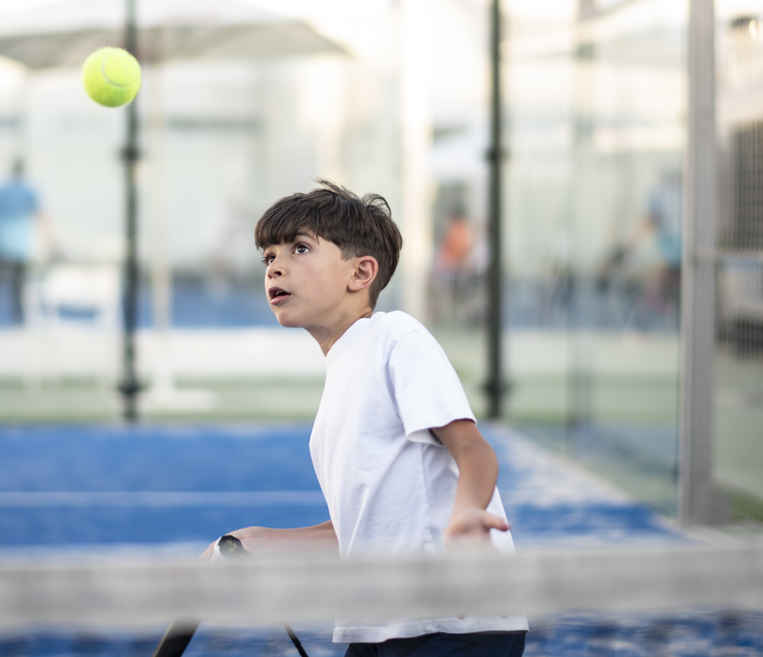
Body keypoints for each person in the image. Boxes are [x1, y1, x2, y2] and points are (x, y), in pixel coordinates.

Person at [201, 180, 528, 657]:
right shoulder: (340, 380)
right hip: (377, 623)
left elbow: (473, 450)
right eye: (269, 256)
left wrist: (465, 517)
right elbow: (365, 530)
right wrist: (256, 541)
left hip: (453, 620)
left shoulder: (396, 338)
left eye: (299, 248)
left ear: (361, 272)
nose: (275, 266)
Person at [0, 159, 49, 324]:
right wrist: (48, 242)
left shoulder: (0, 190)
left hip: (1, 242)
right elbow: (41, 216)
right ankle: (17, 318)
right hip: (19, 245)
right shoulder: (28, 190)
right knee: (17, 285)